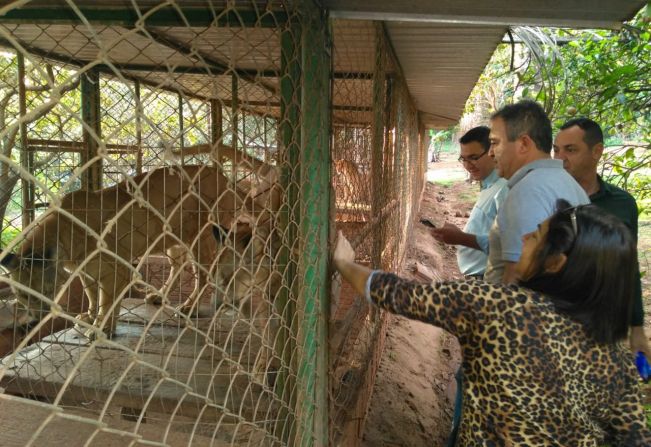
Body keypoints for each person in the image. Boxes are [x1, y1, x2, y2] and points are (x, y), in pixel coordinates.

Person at [333, 201, 651, 445]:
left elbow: (398, 294)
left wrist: (342, 261)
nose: (526, 236)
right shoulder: (619, 360)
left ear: (556, 263)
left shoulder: (497, 307)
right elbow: (635, 437)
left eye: (536, 234)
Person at [554, 117, 651, 360]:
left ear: (597, 151)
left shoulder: (622, 204)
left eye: (570, 150)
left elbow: (627, 266)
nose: (559, 158)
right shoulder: (546, 200)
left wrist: (637, 328)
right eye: (556, 150)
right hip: (555, 328)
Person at [484, 100, 589, 284]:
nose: (490, 153)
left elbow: (516, 278)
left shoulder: (526, 193)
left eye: (495, 143)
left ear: (524, 143)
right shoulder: (567, 182)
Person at [430, 126, 508, 278]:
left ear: (493, 152)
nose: (467, 165)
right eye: (463, 159)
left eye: (473, 157)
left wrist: (461, 238)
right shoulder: (488, 186)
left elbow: (508, 245)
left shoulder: (504, 189)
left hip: (489, 281)